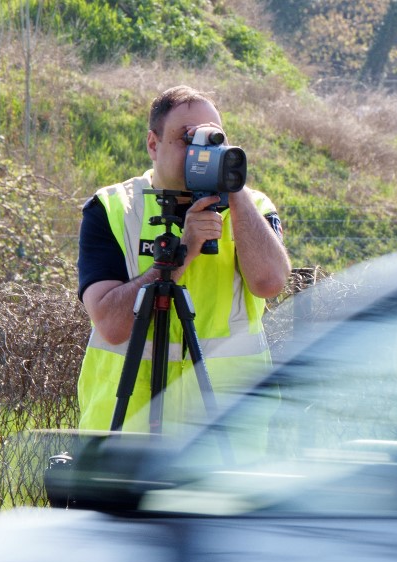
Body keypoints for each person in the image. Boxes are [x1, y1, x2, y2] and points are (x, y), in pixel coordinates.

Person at [76, 85, 291, 433]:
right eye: (187, 139)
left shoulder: (250, 210)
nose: (200, 152)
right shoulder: (113, 209)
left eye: (212, 141)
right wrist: (184, 250)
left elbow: (270, 283)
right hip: (126, 434)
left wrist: (232, 190)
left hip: (223, 438)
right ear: (152, 144)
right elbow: (112, 326)